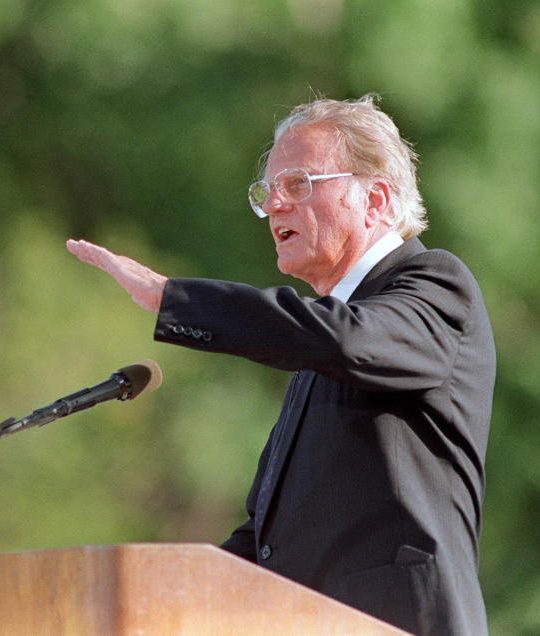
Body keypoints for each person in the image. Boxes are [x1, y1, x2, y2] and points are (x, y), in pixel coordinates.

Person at [66, 94, 495, 635]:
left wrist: (171, 297)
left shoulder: (433, 285)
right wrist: (156, 595)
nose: (274, 206)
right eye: (267, 193)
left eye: (297, 185)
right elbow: (268, 544)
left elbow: (347, 342)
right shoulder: (320, 344)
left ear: (376, 199)